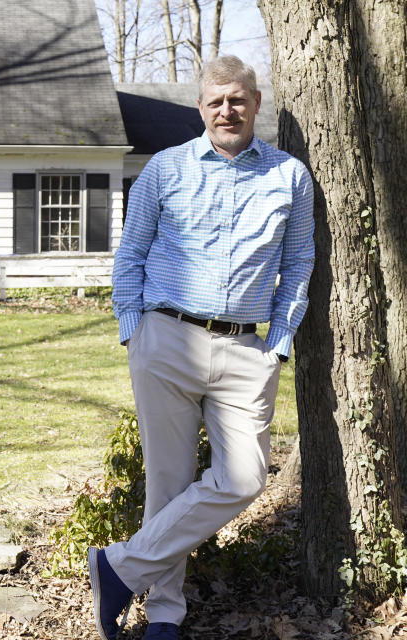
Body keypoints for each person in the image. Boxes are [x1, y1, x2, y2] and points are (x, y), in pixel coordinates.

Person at [93, 55, 315, 640]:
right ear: (200, 107)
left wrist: (280, 341)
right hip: (166, 338)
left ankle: (117, 567)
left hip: (246, 349)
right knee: (167, 482)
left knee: (244, 479)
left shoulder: (290, 176)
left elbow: (297, 265)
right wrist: (132, 328)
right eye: (215, 101)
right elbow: (130, 253)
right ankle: (163, 613)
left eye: (238, 99)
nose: (227, 110)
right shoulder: (165, 169)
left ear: (256, 104)